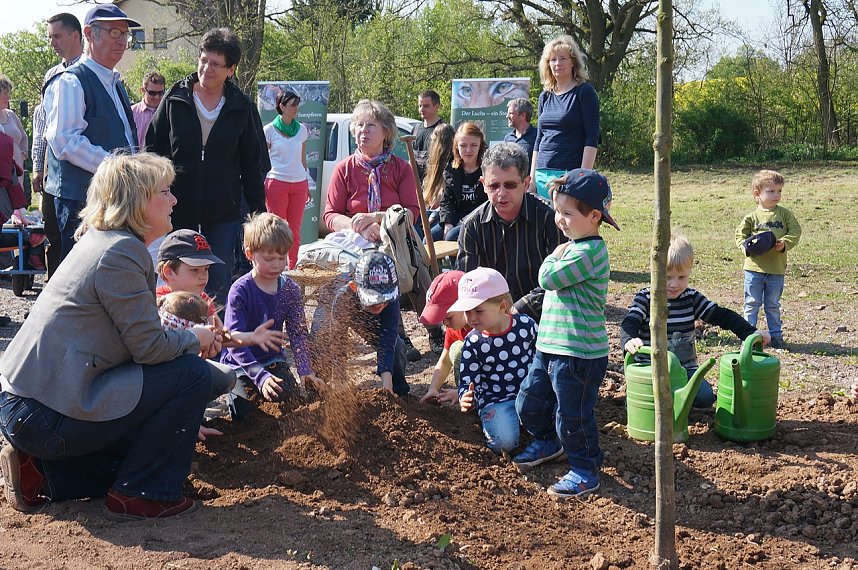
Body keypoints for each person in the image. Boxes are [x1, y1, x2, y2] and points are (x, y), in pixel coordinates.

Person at [0, 152, 219, 520]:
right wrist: (195, 338)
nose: (173, 200)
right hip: (44, 415)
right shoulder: (121, 251)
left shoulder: (103, 241)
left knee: (148, 450)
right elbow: (149, 348)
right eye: (165, 192)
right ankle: (140, 496)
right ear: (138, 201)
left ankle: (40, 476)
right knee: (193, 376)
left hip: (32, 406)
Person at [513, 169, 618, 498]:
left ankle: (586, 468)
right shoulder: (574, 246)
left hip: (579, 353)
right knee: (528, 401)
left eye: (568, 214)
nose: (559, 219)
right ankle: (548, 443)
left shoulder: (591, 253)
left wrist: (551, 257)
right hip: (549, 346)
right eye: (557, 211)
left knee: (572, 415)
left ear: (594, 216)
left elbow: (547, 279)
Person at [147, 27, 266, 302]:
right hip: (176, 208)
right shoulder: (174, 98)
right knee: (173, 279)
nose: (206, 68)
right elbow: (152, 154)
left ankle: (215, 343)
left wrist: (258, 216)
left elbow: (252, 167)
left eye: (215, 64)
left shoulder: (242, 107)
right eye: (203, 60)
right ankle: (174, 340)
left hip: (222, 213)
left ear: (230, 69)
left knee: (216, 282)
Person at [323, 99, 441, 358]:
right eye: (359, 125)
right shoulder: (344, 169)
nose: (363, 130)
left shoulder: (401, 168)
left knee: (414, 263)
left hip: (396, 234)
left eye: (370, 125)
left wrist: (380, 221)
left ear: (386, 132)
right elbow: (330, 215)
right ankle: (399, 337)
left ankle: (434, 330)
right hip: (356, 241)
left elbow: (412, 210)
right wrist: (358, 225)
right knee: (377, 265)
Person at [621, 233, 771, 409]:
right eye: (667, 277)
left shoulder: (691, 298)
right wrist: (629, 339)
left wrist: (750, 333)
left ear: (690, 272)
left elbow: (722, 316)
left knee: (705, 398)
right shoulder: (646, 298)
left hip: (685, 369)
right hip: (649, 368)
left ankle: (678, 404)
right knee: (647, 402)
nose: (674, 284)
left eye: (681, 277)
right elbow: (630, 321)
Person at [43, 5, 140, 263]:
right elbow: (63, 140)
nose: (122, 39)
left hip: (114, 199)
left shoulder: (115, 83)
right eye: (114, 32)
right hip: (82, 204)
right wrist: (116, 166)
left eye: (125, 33)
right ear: (89, 34)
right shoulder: (70, 81)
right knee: (79, 284)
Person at [221, 213, 322, 415]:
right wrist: (259, 376)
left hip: (273, 361)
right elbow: (232, 341)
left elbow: (298, 333)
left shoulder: (290, 290)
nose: (277, 264)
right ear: (249, 255)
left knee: (292, 406)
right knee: (248, 416)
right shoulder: (240, 290)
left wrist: (305, 369)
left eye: (282, 257)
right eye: (269, 259)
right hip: (240, 366)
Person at [456, 142, 563, 322]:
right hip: (491, 322)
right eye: (494, 185)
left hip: (545, 320)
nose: (502, 193)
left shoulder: (550, 220)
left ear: (526, 183)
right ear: (483, 184)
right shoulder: (472, 226)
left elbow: (560, 280)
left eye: (510, 185)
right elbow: (468, 285)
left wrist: (516, 311)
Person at [452, 268, 537, 453]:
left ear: (502, 306)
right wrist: (465, 395)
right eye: (467, 312)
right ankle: (501, 423)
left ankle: (531, 428)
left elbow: (541, 355)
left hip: (531, 394)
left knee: (559, 426)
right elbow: (468, 377)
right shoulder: (474, 342)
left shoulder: (525, 326)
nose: (471, 318)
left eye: (478, 311)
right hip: (497, 399)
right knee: (503, 443)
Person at [311, 251, 410, 396]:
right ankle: (317, 392)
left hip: (366, 316)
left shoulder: (391, 300)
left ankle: (399, 392)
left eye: (384, 300)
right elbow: (337, 341)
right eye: (374, 300)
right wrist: (340, 381)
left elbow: (387, 342)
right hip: (331, 306)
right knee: (321, 343)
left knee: (398, 346)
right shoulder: (343, 296)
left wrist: (387, 390)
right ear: (355, 287)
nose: (380, 304)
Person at [32, 12, 83, 278]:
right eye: (50, 36)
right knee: (53, 234)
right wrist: (37, 167)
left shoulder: (89, 72)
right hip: (53, 172)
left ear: (76, 36)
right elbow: (42, 125)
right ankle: (52, 294)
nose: (52, 42)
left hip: (80, 174)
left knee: (77, 237)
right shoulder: (52, 74)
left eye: (57, 36)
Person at [735, 170, 802, 349]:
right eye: (771, 191)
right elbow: (740, 236)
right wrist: (746, 248)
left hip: (776, 269)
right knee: (751, 303)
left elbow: (796, 231)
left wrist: (785, 243)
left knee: (772, 305)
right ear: (757, 193)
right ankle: (748, 337)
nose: (776, 195)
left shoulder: (784, 214)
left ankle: (776, 337)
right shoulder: (752, 217)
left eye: (779, 191)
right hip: (754, 269)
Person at [529, 35, 600, 201]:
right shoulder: (544, 96)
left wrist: (583, 176)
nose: (557, 64)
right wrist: (532, 177)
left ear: (573, 62)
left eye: (562, 59)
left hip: (570, 174)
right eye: (553, 60)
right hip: (542, 173)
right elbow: (539, 138)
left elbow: (592, 137)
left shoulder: (585, 92)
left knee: (566, 224)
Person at [264, 89, 309, 270]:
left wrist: (308, 186)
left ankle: (292, 269)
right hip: (277, 183)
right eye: (292, 105)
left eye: (297, 104)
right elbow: (261, 160)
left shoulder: (302, 129)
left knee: (294, 231)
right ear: (281, 106)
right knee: (277, 230)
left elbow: (303, 160)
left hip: (299, 183)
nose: (296, 108)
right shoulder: (269, 130)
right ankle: (276, 269)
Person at [418, 271, 471, 404]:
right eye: (442, 319)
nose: (445, 324)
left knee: (459, 350)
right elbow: (445, 361)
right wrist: (433, 388)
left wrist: (461, 393)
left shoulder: (485, 325)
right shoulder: (454, 328)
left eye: (448, 317)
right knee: (455, 349)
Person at [439, 122, 487, 242]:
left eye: (473, 145)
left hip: (479, 218)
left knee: (451, 237)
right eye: (463, 146)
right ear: (457, 147)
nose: (468, 150)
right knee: (429, 238)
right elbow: (447, 200)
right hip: (456, 215)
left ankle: (458, 261)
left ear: (480, 145)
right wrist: (447, 222)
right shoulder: (452, 169)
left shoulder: (488, 169)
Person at [420, 123, 455, 241]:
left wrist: (433, 216)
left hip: (442, 214)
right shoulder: (433, 165)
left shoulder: (451, 165)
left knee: (428, 238)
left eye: (433, 141)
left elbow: (445, 200)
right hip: (429, 211)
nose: (431, 145)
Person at [412, 89, 445, 182]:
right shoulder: (415, 129)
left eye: (426, 106)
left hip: (434, 184)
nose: (422, 109)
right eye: (420, 106)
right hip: (415, 185)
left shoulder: (443, 130)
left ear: (436, 106)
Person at [131, 71, 166, 150]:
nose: (157, 97)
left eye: (160, 93)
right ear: (142, 90)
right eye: (152, 93)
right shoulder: (131, 113)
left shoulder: (168, 113)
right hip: (138, 160)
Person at [0, 75, 28, 173]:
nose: (8, 97)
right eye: (5, 93)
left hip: (17, 172)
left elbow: (23, 136)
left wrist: (23, 154)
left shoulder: (11, 114)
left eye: (9, 93)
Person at [503, 98, 536, 173]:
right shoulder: (508, 138)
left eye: (510, 113)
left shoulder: (537, 136)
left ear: (522, 115)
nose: (507, 116)